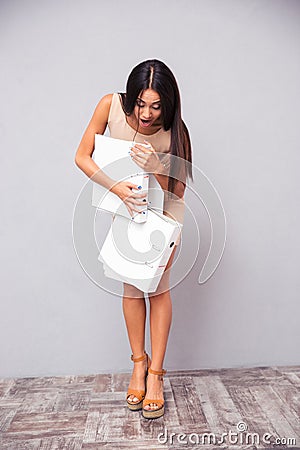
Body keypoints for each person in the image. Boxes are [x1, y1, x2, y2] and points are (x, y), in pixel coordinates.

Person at [75, 59, 192, 419]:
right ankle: (138, 365)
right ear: (131, 96)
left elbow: (178, 193)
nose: (146, 114)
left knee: (158, 290)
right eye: (141, 103)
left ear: (168, 105)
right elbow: (82, 156)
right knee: (129, 290)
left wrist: (157, 165)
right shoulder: (109, 105)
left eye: (156, 106)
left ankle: (156, 374)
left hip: (163, 219)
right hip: (127, 213)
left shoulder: (174, 132)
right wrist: (117, 188)